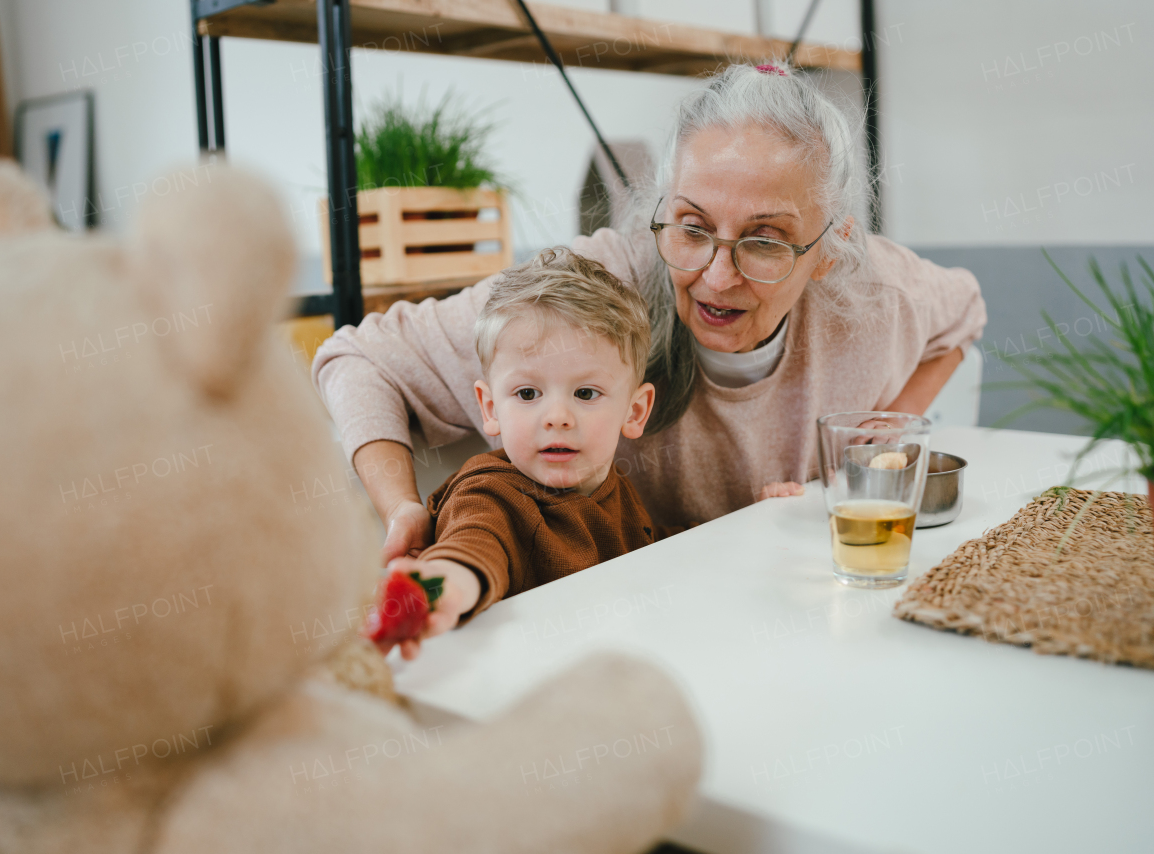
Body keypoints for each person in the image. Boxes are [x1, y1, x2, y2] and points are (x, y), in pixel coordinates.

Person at [312, 61, 987, 566]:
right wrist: (402, 508)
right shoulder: (585, 298)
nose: (716, 277)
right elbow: (357, 358)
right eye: (691, 228)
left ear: (829, 248)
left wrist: (880, 437)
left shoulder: (880, 294)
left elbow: (965, 316)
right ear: (659, 210)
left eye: (764, 241)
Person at [383, 248, 681, 659]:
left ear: (634, 411)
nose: (557, 417)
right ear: (490, 408)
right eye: (527, 393)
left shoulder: (611, 487)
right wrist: (438, 587)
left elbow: (657, 552)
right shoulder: (489, 494)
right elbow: (472, 548)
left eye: (585, 393)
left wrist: (746, 524)